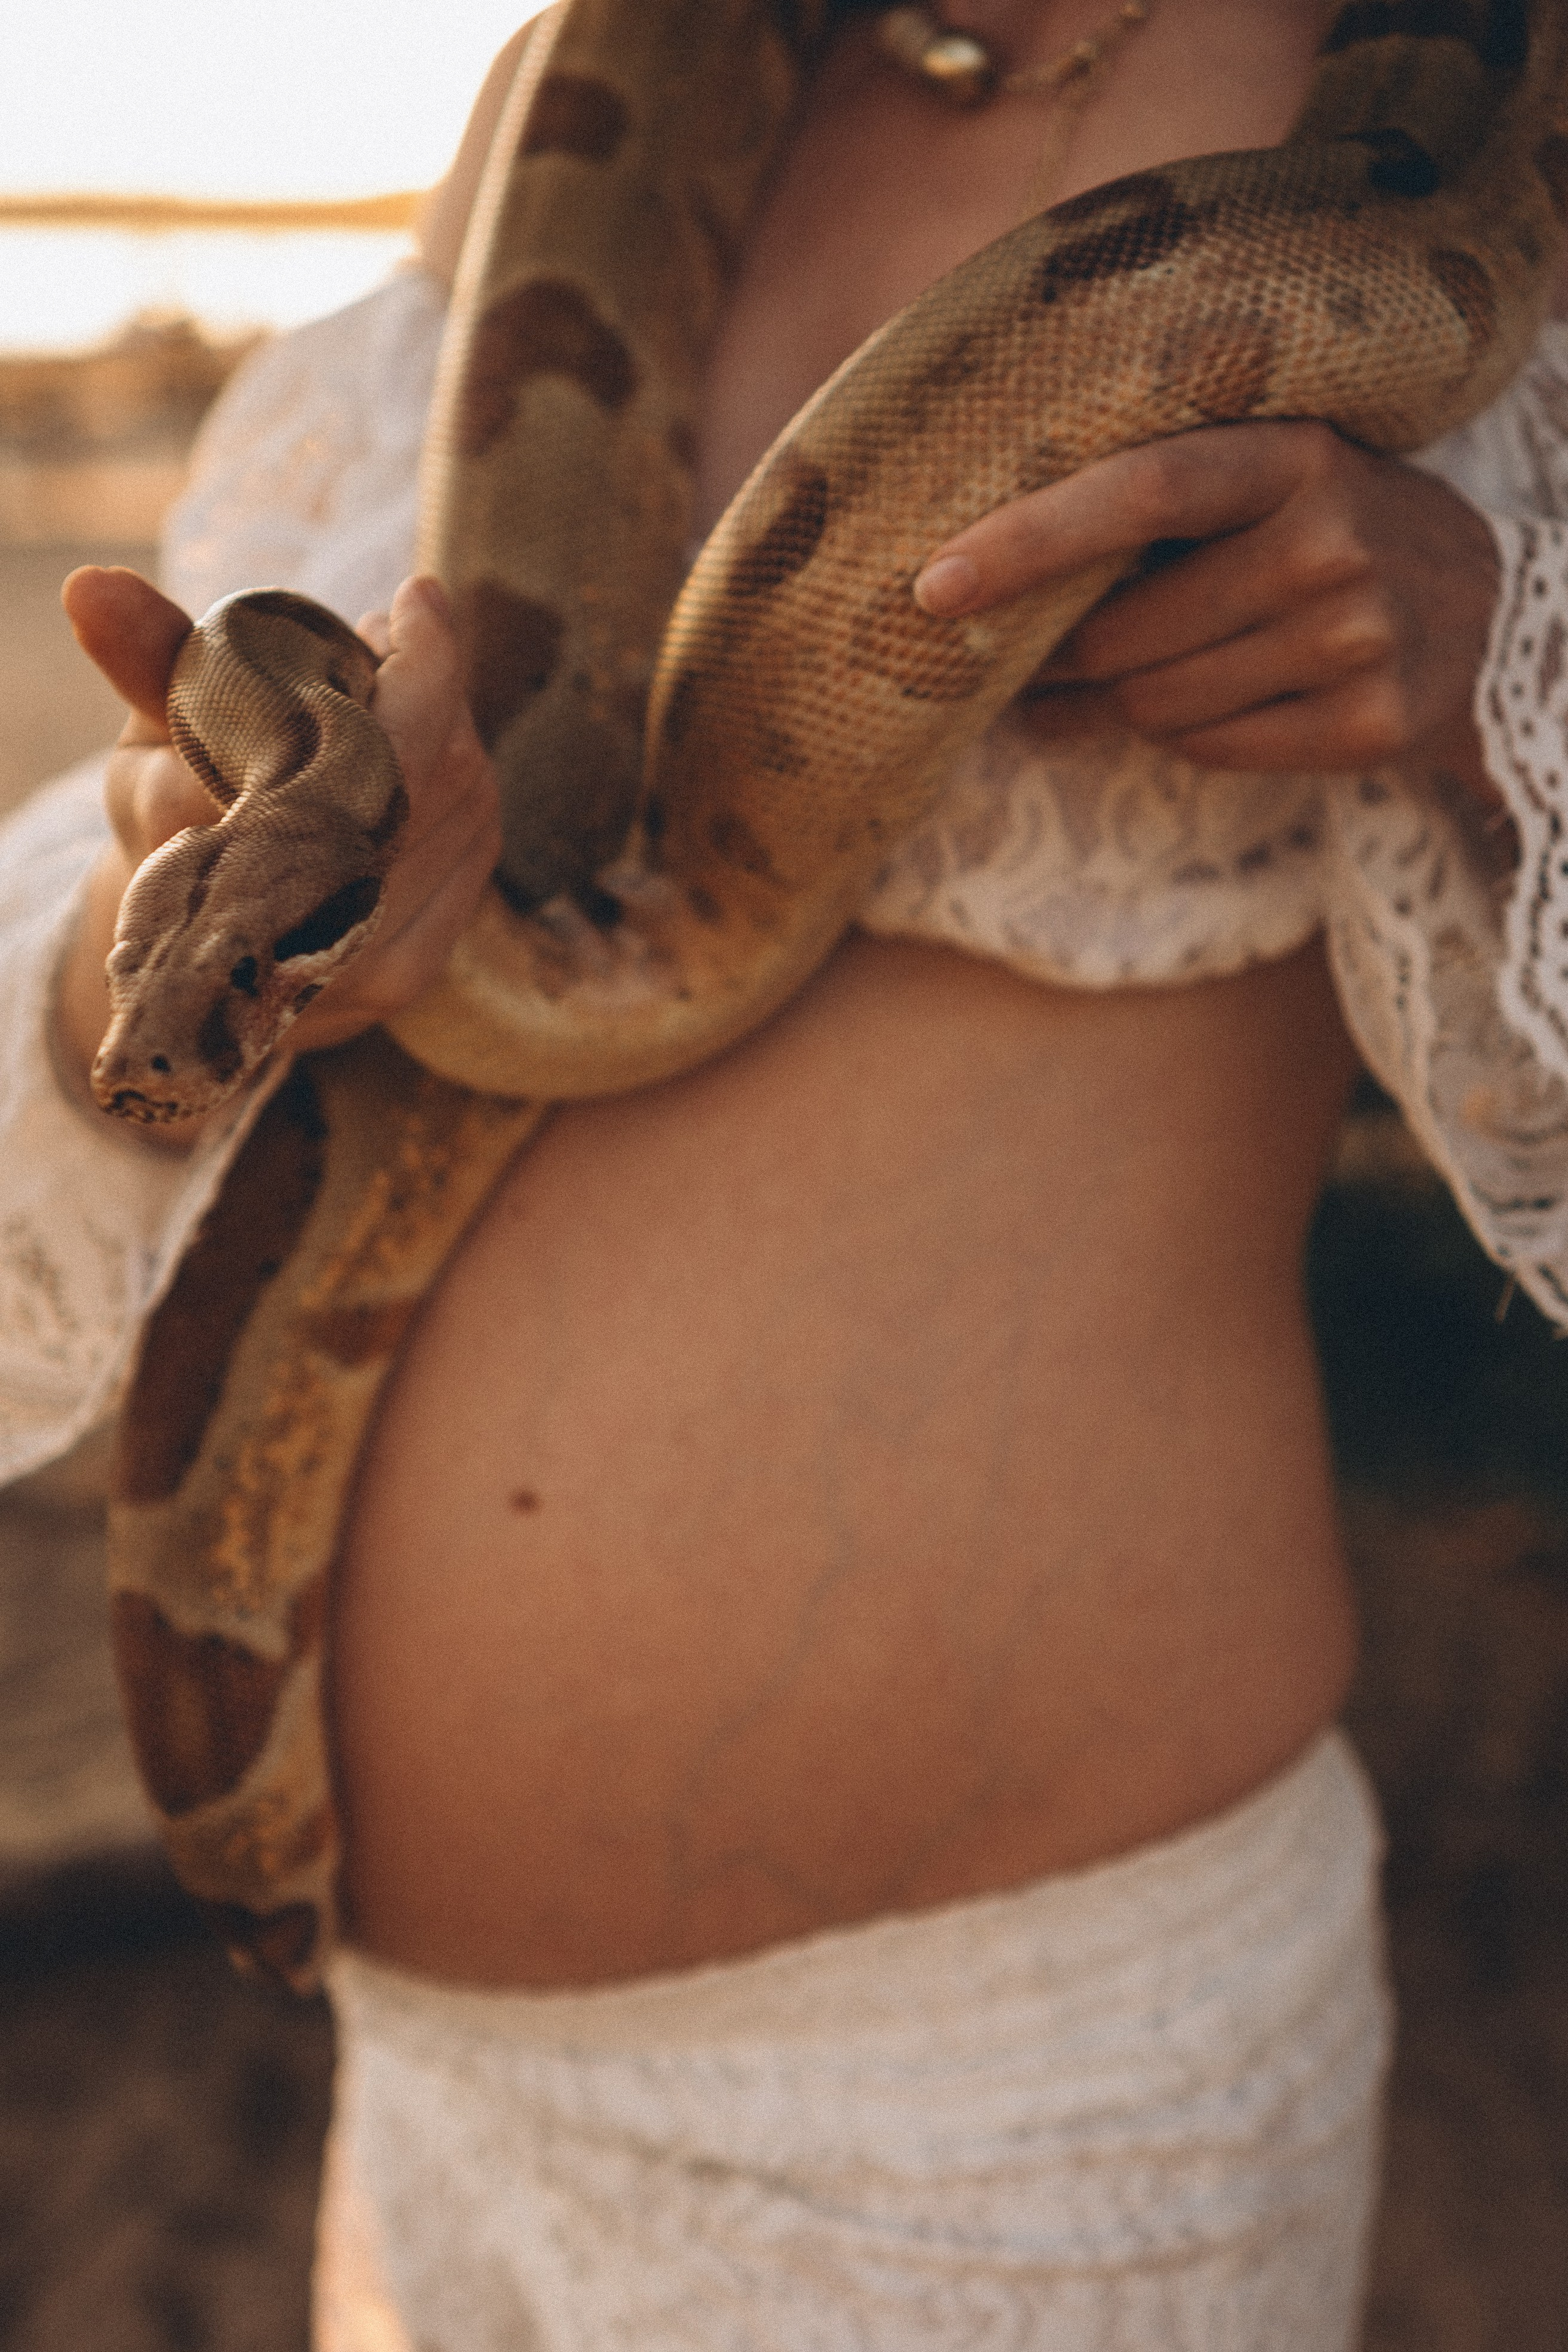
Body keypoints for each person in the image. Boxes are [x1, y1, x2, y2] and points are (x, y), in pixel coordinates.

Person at [6, 2, 1568, 2343]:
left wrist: (1499, 673)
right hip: (443, 2096)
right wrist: (193, 860)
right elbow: (225, 845)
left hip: (1018, 2129)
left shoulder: (1470, 94)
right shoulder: (583, 98)